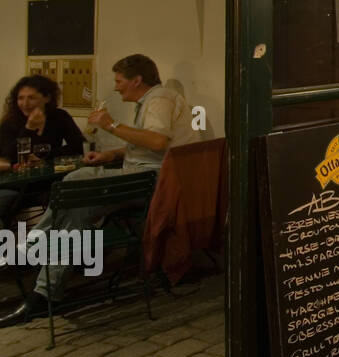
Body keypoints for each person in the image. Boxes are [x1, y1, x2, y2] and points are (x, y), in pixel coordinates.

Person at [0, 54, 197, 327]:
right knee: (75, 198)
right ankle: (42, 283)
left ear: (136, 80)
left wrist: (111, 125)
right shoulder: (154, 100)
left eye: (119, 81)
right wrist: (111, 155)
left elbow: (157, 140)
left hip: (152, 183)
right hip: (145, 177)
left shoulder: (160, 99)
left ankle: (32, 257)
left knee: (75, 192)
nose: (116, 87)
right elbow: (153, 147)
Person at [0, 75, 85, 224]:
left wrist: (44, 156)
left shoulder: (59, 116)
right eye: (21, 98)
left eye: (31, 98)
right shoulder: (10, 122)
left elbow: (78, 147)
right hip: (15, 186)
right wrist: (29, 129)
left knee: (74, 199)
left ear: (46, 98)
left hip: (47, 184)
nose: (25, 103)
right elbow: (7, 156)